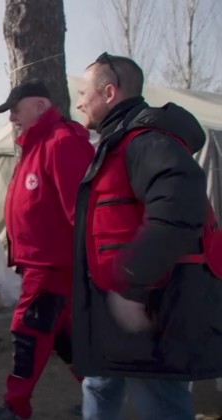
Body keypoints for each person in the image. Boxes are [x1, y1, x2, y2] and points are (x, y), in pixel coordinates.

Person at [72, 53, 222, 419]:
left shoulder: (146, 142)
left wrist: (132, 283)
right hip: (116, 307)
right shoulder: (116, 144)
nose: (78, 103)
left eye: (83, 93)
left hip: (151, 310)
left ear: (109, 92)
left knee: (159, 402)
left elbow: (178, 208)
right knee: (99, 383)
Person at [0, 81, 94, 420]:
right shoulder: (37, 144)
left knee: (28, 331)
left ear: (40, 106)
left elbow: (82, 212)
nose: (12, 118)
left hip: (53, 266)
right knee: (62, 336)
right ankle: (99, 396)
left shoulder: (61, 143)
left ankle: (16, 407)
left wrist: (89, 266)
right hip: (42, 264)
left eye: (16, 109)